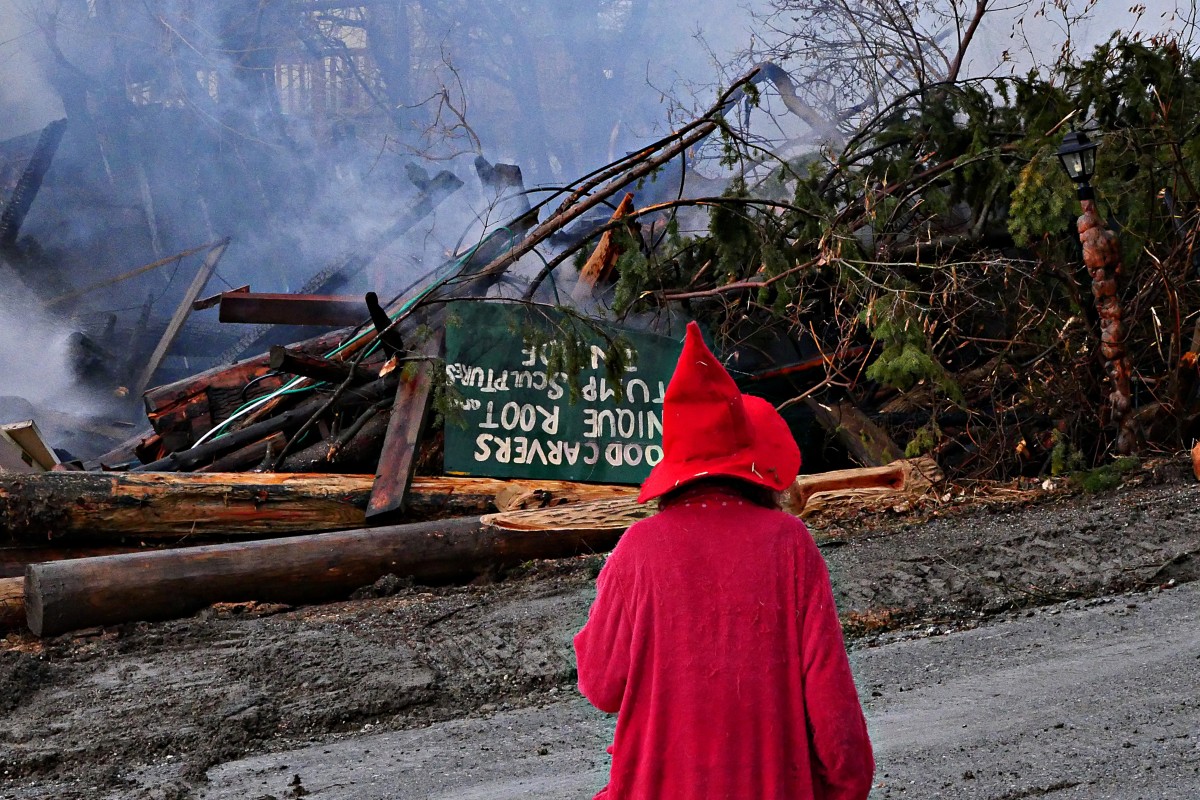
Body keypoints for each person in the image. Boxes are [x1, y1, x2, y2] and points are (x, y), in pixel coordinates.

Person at [574, 321, 875, 799]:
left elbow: (601, 684)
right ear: (752, 462)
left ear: (675, 469)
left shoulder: (637, 549)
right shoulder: (789, 544)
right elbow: (831, 707)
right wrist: (845, 786)